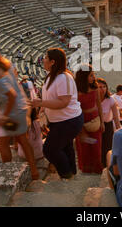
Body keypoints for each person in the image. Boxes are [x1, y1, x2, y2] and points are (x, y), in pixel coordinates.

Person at [0, 39, 39, 180]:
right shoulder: (5, 63)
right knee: (22, 139)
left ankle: (8, 173)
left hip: (12, 113)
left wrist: (4, 115)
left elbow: (11, 95)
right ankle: (34, 171)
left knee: (3, 142)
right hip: (21, 108)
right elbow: (13, 83)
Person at [31, 48, 83, 180]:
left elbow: (64, 102)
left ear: (53, 61)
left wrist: (41, 103)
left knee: (50, 150)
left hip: (68, 120)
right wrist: (43, 109)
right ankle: (71, 173)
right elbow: (52, 97)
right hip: (61, 120)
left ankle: (65, 174)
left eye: (46, 57)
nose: (43, 60)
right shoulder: (52, 76)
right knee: (65, 146)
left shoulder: (63, 78)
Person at [75, 65, 104, 174]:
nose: (94, 77)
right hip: (81, 121)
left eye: (93, 75)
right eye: (91, 75)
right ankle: (86, 170)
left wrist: (102, 121)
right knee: (84, 147)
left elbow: (99, 105)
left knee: (96, 146)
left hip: (95, 120)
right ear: (84, 76)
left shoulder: (95, 88)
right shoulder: (76, 91)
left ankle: (97, 169)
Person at [97, 78, 121, 168]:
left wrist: (119, 131)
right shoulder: (93, 99)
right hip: (95, 126)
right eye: (99, 87)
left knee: (107, 148)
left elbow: (116, 117)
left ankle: (105, 166)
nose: (102, 89)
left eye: (104, 87)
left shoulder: (110, 100)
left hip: (107, 126)